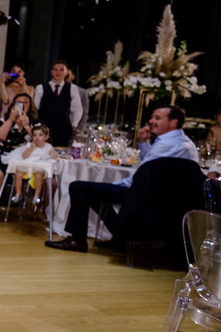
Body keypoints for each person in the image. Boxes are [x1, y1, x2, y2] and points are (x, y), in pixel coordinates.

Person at [45, 105, 198, 252]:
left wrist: (116, 184)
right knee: (93, 191)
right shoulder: (183, 142)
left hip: (144, 195)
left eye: (157, 118)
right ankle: (120, 238)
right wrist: (144, 144)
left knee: (78, 187)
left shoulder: (166, 143)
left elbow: (142, 175)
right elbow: (150, 169)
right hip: (161, 197)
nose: (151, 121)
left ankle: (77, 240)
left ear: (173, 122)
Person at [0, 93, 36, 208]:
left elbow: (41, 141)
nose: (22, 105)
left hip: (27, 158)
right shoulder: (4, 120)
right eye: (19, 102)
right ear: (13, 105)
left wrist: (27, 126)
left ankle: (39, 211)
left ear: (30, 106)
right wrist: (11, 120)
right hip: (3, 155)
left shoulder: (35, 123)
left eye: (25, 103)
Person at [33, 59, 81, 147]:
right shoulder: (41, 88)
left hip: (63, 129)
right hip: (44, 129)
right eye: (55, 69)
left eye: (61, 70)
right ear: (51, 72)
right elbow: (35, 108)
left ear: (67, 72)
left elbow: (77, 109)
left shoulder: (72, 88)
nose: (58, 72)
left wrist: (74, 124)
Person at [7, 123, 57, 205]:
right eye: (35, 135)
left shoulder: (48, 147)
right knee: (18, 174)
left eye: (40, 135)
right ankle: (18, 194)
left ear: (46, 137)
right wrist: (31, 148)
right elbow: (24, 156)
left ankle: (36, 195)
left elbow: (54, 156)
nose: (37, 137)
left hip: (39, 168)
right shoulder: (29, 145)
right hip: (27, 167)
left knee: (38, 175)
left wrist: (50, 157)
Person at [65, 66, 91, 134]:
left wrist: (79, 129)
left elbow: (84, 113)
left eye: (67, 75)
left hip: (73, 127)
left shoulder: (81, 92)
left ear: (73, 76)